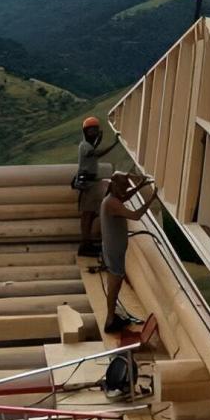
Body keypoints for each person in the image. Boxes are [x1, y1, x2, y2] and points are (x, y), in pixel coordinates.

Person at [100, 171, 158, 334]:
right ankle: (110, 320)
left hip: (114, 248)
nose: (125, 191)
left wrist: (139, 186)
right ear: (115, 186)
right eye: (124, 187)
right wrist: (151, 200)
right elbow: (136, 215)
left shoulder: (113, 198)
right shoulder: (111, 202)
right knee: (114, 285)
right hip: (113, 250)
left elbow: (124, 197)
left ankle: (112, 317)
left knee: (115, 283)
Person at [77, 117, 120, 256]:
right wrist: (114, 144)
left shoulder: (87, 145)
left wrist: (98, 141)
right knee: (87, 215)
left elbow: (93, 151)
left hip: (89, 183)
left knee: (89, 214)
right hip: (87, 184)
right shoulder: (85, 146)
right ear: (85, 131)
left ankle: (87, 243)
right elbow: (96, 154)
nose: (94, 132)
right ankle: (85, 245)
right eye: (91, 130)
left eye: (96, 130)